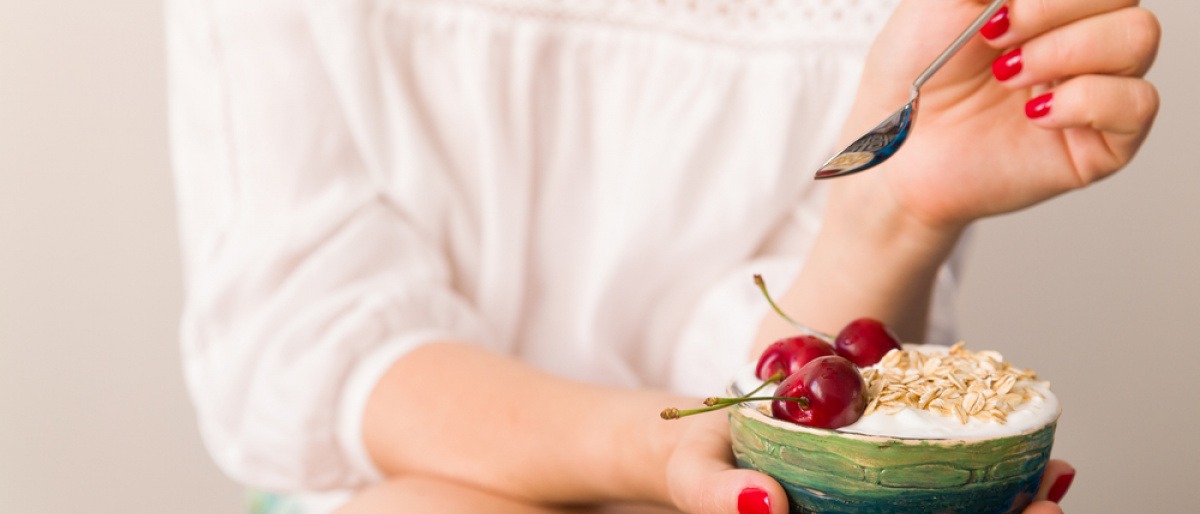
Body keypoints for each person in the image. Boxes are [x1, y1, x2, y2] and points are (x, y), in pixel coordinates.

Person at [166, 0, 1158, 512]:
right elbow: (316, 341)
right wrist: (662, 455)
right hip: (397, 482)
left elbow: (774, 376)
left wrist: (886, 216)